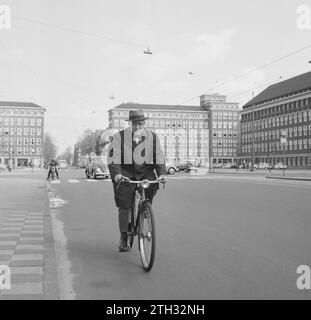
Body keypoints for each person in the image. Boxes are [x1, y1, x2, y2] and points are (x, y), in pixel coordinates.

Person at [108, 110, 167, 252]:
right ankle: (123, 236)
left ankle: (145, 208)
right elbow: (113, 159)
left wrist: (162, 173)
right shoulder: (118, 137)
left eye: (141, 124)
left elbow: (158, 156)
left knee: (152, 186)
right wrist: (117, 175)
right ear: (130, 123)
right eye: (135, 124)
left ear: (144, 124)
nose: (138, 127)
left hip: (145, 172)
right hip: (126, 173)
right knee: (124, 204)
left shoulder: (152, 137)